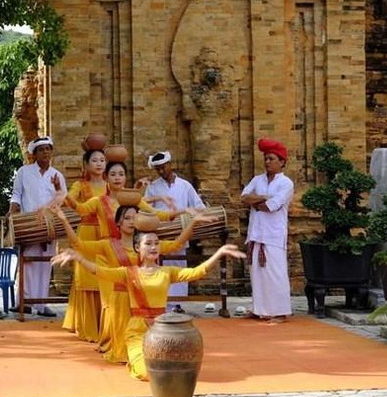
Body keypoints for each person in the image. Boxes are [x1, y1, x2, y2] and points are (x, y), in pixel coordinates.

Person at [52, 234, 245, 380]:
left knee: (172, 370)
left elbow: (196, 272)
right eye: (148, 244)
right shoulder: (128, 273)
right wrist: (79, 257)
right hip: (137, 330)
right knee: (148, 373)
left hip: (162, 330)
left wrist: (219, 253)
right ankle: (134, 361)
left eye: (156, 243)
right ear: (137, 248)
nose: (154, 247)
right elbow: (100, 271)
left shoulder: (167, 272)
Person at [52, 204, 216, 363]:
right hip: (120, 300)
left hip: (143, 302)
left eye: (135, 217)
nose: (131, 221)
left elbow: (177, 244)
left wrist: (193, 222)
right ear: (118, 223)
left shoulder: (148, 244)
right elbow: (78, 245)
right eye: (127, 218)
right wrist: (63, 219)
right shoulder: (108, 245)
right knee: (124, 349)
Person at [9, 136, 66, 317]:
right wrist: (13, 208)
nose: (45, 153)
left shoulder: (57, 175)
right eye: (41, 150)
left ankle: (41, 304)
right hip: (29, 223)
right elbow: (16, 194)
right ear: (34, 154)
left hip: (49, 224)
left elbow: (62, 197)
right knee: (27, 263)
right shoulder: (24, 172)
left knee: (44, 263)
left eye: (48, 149)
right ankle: (23, 302)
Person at [240, 138, 294, 324]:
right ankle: (259, 309)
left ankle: (280, 312)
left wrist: (257, 202)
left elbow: (272, 206)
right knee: (257, 274)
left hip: (273, 235)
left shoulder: (286, 183)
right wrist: (261, 197)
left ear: (282, 161)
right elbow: (244, 197)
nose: (268, 162)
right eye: (266, 158)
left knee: (275, 273)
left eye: (271, 158)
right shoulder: (258, 179)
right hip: (256, 233)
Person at [144, 151, 207, 311]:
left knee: (179, 268)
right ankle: (162, 303)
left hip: (181, 232)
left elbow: (199, 206)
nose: (161, 171)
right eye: (157, 169)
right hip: (161, 235)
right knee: (161, 268)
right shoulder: (153, 187)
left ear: (170, 165)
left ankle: (178, 304)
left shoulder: (185, 186)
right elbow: (146, 210)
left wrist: (191, 216)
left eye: (163, 167)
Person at [62, 149, 108, 342]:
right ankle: (86, 326)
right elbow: (70, 200)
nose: (99, 164)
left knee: (104, 277)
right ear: (87, 165)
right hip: (87, 232)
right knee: (86, 278)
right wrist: (62, 192)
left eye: (102, 160)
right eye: (95, 160)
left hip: (106, 234)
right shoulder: (80, 185)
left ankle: (104, 324)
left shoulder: (110, 185)